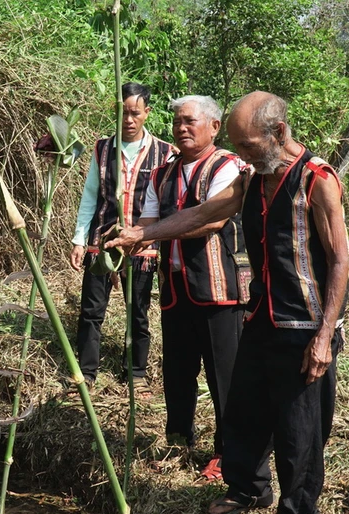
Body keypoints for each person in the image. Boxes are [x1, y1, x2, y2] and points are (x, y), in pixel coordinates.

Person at [106, 91, 349, 514]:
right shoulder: (253, 178)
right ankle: (248, 488)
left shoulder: (317, 181)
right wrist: (142, 232)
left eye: (249, 146)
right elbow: (205, 212)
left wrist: (324, 335)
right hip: (260, 314)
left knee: (300, 425)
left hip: (305, 324)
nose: (241, 155)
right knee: (245, 408)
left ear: (278, 133)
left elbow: (339, 261)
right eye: (237, 146)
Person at [135, 95, 248, 480]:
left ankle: (228, 451)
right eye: (177, 122)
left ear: (214, 127)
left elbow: (211, 221)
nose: (182, 128)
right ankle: (179, 440)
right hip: (176, 287)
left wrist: (148, 232)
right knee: (177, 370)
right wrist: (128, 238)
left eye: (190, 122)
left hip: (219, 289)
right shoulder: (161, 174)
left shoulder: (228, 166)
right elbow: (148, 221)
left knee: (224, 374)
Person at [70, 82, 174, 388]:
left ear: (147, 113)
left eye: (135, 113)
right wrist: (79, 239)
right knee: (91, 310)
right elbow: (91, 196)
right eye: (123, 113)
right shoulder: (103, 148)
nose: (128, 120)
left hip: (142, 246)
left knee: (138, 311)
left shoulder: (164, 153)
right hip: (102, 242)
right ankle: (86, 373)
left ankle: (136, 373)